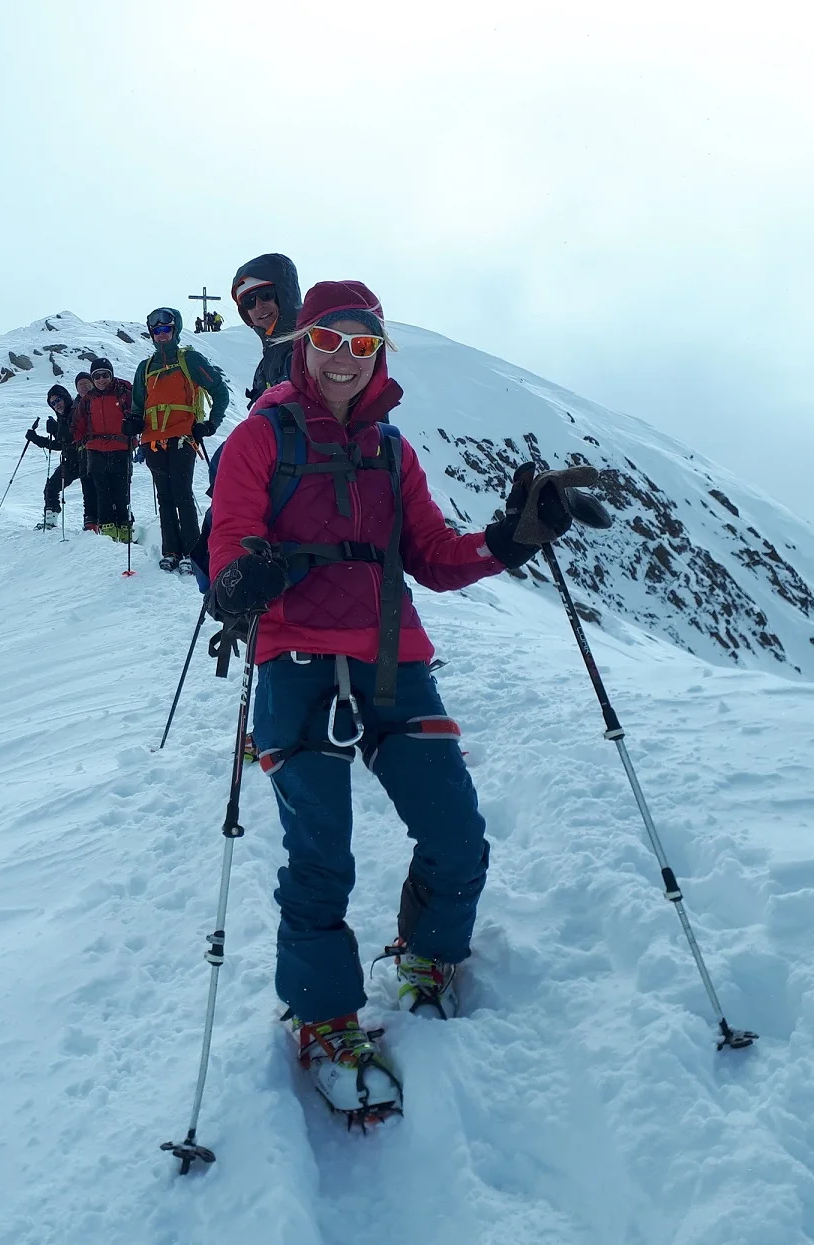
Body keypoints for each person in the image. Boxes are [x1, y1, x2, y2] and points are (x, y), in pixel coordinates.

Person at [207, 279, 575, 1118]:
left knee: (455, 831)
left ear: (377, 356)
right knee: (321, 856)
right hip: (296, 663)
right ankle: (324, 1017)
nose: (343, 359)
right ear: (301, 344)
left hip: (391, 662)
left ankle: (426, 954)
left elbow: (433, 554)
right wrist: (239, 577)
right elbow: (229, 536)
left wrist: (508, 538)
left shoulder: (390, 449)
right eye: (329, 342)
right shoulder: (258, 436)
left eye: (361, 345)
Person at [126, 307, 230, 571]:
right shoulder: (145, 368)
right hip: (152, 440)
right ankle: (171, 550)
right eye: (156, 330)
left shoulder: (189, 360)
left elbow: (219, 390)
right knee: (165, 496)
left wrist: (210, 424)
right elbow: (139, 404)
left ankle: (192, 552)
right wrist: (135, 421)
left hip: (182, 435)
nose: (161, 335)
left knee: (181, 493)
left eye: (166, 329)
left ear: (175, 330)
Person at [71, 358, 135, 540]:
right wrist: (70, 438)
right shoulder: (88, 399)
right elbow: (78, 423)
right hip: (95, 450)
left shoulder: (123, 392)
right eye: (97, 376)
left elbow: (137, 413)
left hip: (120, 448)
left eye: (105, 375)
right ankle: (108, 529)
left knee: (121, 489)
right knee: (103, 491)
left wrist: (134, 427)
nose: (101, 379)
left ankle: (123, 527)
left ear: (111, 375)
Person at [231, 253, 303, 407]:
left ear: (285, 294)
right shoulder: (265, 367)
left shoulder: (314, 347)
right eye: (248, 301)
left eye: (266, 294)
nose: (258, 306)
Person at [27, 385, 92, 529]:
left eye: (58, 400)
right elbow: (60, 443)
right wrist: (37, 439)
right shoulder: (62, 417)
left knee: (90, 493)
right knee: (51, 487)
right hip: (71, 462)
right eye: (53, 403)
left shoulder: (76, 412)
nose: (56, 405)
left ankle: (95, 523)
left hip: (85, 459)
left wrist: (55, 431)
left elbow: (71, 437)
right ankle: (50, 520)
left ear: (66, 398)